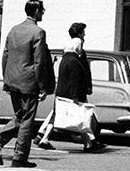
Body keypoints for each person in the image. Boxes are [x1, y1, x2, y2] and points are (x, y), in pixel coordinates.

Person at [0, 0, 55, 167]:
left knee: (19, 115)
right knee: (27, 120)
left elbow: (5, 56)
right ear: (36, 12)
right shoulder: (38, 32)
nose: (43, 13)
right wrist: (42, 87)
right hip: (28, 82)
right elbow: (39, 62)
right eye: (42, 10)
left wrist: (7, 79)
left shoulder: (13, 30)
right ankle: (19, 158)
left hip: (13, 80)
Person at [38, 23, 106, 152]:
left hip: (62, 92)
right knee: (81, 118)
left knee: (59, 116)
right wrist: (75, 96)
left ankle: (45, 138)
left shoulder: (65, 59)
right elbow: (74, 80)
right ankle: (89, 143)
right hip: (72, 94)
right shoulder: (74, 61)